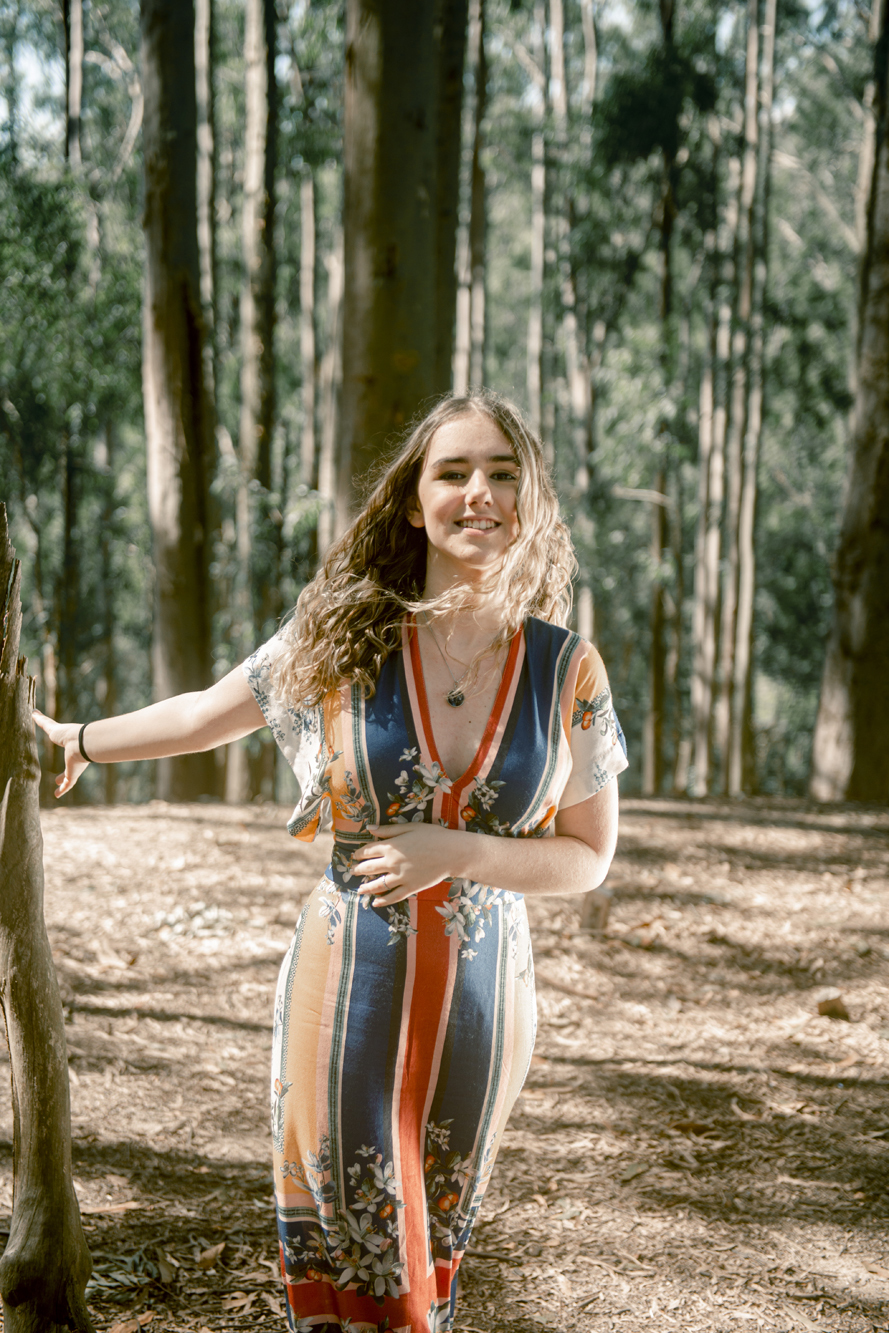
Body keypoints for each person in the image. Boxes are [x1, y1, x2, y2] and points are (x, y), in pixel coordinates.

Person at [34, 389, 627, 1333]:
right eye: (454, 472)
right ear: (410, 500)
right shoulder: (345, 633)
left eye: (504, 474)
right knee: (364, 1255)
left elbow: (588, 857)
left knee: (431, 1252)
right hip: (346, 983)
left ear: (533, 500)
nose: (480, 493)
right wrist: (78, 738)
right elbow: (203, 713)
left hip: (484, 1003)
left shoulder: (567, 669)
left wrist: (457, 849)